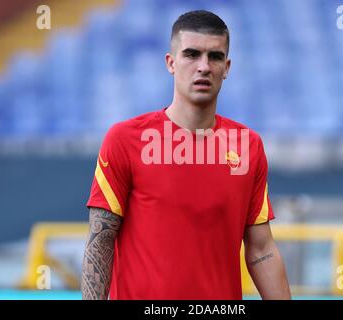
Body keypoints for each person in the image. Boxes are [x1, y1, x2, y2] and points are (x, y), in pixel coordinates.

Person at [82, 10, 291, 300]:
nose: (203, 67)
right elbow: (100, 242)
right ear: (171, 62)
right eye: (191, 54)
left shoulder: (248, 146)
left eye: (215, 57)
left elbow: (261, 250)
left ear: (227, 67)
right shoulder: (124, 140)